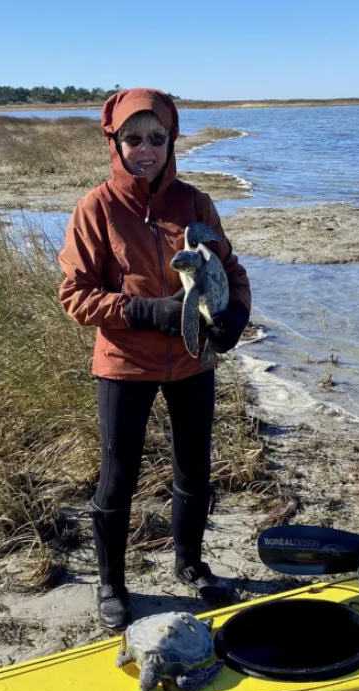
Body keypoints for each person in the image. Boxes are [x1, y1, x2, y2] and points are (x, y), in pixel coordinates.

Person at [58, 88, 251, 630]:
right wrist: (145, 312)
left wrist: (236, 314)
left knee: (195, 466)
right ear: (113, 141)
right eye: (133, 138)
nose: (145, 149)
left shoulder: (195, 203)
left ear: (172, 141)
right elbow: (74, 295)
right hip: (124, 362)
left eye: (157, 138)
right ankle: (112, 584)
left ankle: (190, 565)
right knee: (118, 477)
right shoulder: (96, 208)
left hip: (194, 360)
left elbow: (231, 270)